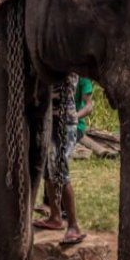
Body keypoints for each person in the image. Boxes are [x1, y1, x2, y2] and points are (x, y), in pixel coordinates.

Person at [33, 74, 94, 245]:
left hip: (64, 123)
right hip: (50, 121)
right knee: (48, 171)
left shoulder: (66, 67)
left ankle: (73, 226)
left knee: (60, 172)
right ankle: (55, 216)